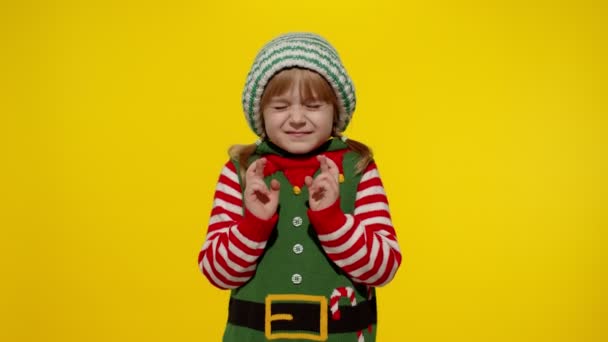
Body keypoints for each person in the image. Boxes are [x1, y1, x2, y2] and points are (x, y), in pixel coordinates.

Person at [198, 32, 402, 342]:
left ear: (335, 110)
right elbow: (217, 273)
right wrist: (253, 223)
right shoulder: (241, 171)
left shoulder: (358, 168)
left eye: (313, 105)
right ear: (260, 113)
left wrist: (333, 220)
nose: (296, 119)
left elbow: (383, 269)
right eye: (280, 107)